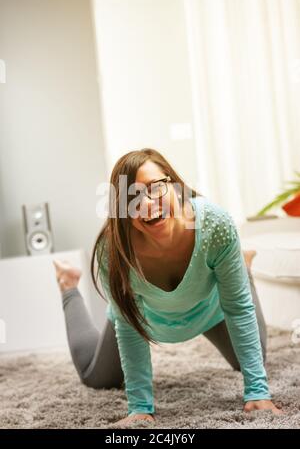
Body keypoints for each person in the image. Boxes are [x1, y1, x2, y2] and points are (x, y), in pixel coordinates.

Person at [54, 148, 282, 426]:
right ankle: (68, 286)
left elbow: (237, 307)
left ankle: (238, 268)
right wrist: (140, 408)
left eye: (156, 188)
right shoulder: (113, 250)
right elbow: (128, 328)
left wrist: (258, 391)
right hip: (144, 319)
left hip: (209, 309)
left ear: (176, 186)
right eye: (133, 197)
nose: (148, 203)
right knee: (97, 379)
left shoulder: (214, 225)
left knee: (253, 356)